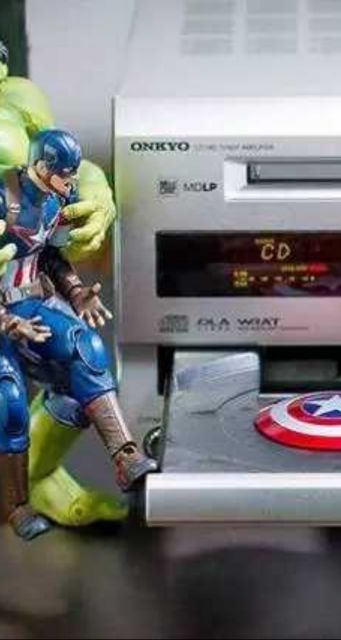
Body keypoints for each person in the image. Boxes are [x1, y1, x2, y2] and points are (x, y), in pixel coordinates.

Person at [0, 128, 156, 539]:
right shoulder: (4, 198)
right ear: (41, 166)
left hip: (31, 302)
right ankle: (16, 506)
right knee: (9, 402)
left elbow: (51, 255)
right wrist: (7, 322)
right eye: (64, 174)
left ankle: (126, 455)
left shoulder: (54, 200)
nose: (70, 182)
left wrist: (75, 292)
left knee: (85, 347)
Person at [0, 39, 127, 525]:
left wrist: (96, 196)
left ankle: (38, 477)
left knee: (82, 367)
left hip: (22, 290)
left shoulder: (18, 100)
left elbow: (76, 169)